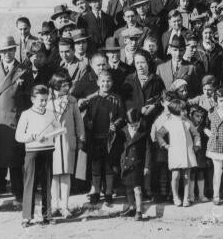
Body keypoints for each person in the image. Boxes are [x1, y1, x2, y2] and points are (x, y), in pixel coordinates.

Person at [0, 36, 31, 203]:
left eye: (10, 50)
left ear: (14, 50)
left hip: (14, 119)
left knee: (15, 159)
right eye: (4, 51)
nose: (7, 54)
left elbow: (28, 98)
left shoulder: (23, 69)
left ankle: (18, 191)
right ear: (0, 53)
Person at [15, 85, 57, 227]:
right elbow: (18, 136)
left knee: (47, 184)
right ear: (33, 99)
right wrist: (33, 137)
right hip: (32, 152)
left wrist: (52, 135)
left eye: (46, 100)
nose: (44, 103)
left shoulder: (51, 113)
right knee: (30, 184)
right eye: (41, 100)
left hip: (48, 151)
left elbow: (58, 129)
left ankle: (47, 215)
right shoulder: (26, 114)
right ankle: (27, 217)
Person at [83, 70, 124, 206]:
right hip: (95, 138)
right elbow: (85, 115)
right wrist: (88, 122)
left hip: (110, 139)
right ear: (98, 83)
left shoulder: (116, 98)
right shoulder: (92, 99)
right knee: (95, 166)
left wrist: (116, 125)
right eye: (103, 81)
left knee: (109, 166)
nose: (105, 84)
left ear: (112, 83)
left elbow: (121, 116)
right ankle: (95, 191)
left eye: (108, 81)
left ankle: (108, 191)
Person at [47, 71, 85, 219]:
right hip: (52, 142)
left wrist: (81, 138)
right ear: (55, 85)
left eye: (67, 84)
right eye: (62, 85)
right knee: (54, 175)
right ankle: (55, 205)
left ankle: (65, 206)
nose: (66, 87)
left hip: (68, 141)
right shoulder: (47, 101)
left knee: (66, 174)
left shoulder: (72, 101)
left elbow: (78, 121)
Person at [157, 99, 200, 207]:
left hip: (187, 152)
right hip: (175, 153)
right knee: (175, 176)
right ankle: (175, 197)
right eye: (182, 110)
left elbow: (196, 134)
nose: (185, 112)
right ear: (175, 112)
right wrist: (165, 145)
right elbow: (159, 134)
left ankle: (186, 198)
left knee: (186, 176)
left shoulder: (188, 122)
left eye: (185, 110)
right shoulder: (169, 123)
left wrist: (196, 145)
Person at [114, 108, 152, 220]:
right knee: (128, 188)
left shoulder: (144, 132)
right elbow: (118, 147)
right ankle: (131, 208)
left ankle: (139, 211)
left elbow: (148, 150)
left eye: (136, 125)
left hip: (137, 164)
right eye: (132, 126)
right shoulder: (123, 131)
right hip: (125, 163)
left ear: (140, 121)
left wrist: (147, 166)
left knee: (137, 189)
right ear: (127, 123)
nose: (134, 128)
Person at [151, 90, 177, 202]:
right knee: (163, 171)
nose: (169, 104)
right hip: (162, 147)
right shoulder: (159, 117)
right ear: (162, 103)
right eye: (167, 102)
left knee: (173, 171)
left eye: (171, 102)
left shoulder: (177, 116)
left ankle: (172, 193)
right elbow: (154, 133)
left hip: (174, 145)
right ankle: (163, 193)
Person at [188, 105, 210, 202]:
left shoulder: (204, 129)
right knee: (191, 174)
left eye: (201, 117)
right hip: (191, 154)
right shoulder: (188, 127)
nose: (200, 119)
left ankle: (201, 195)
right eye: (197, 116)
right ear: (191, 116)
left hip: (201, 154)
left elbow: (209, 138)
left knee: (201, 173)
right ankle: (191, 195)